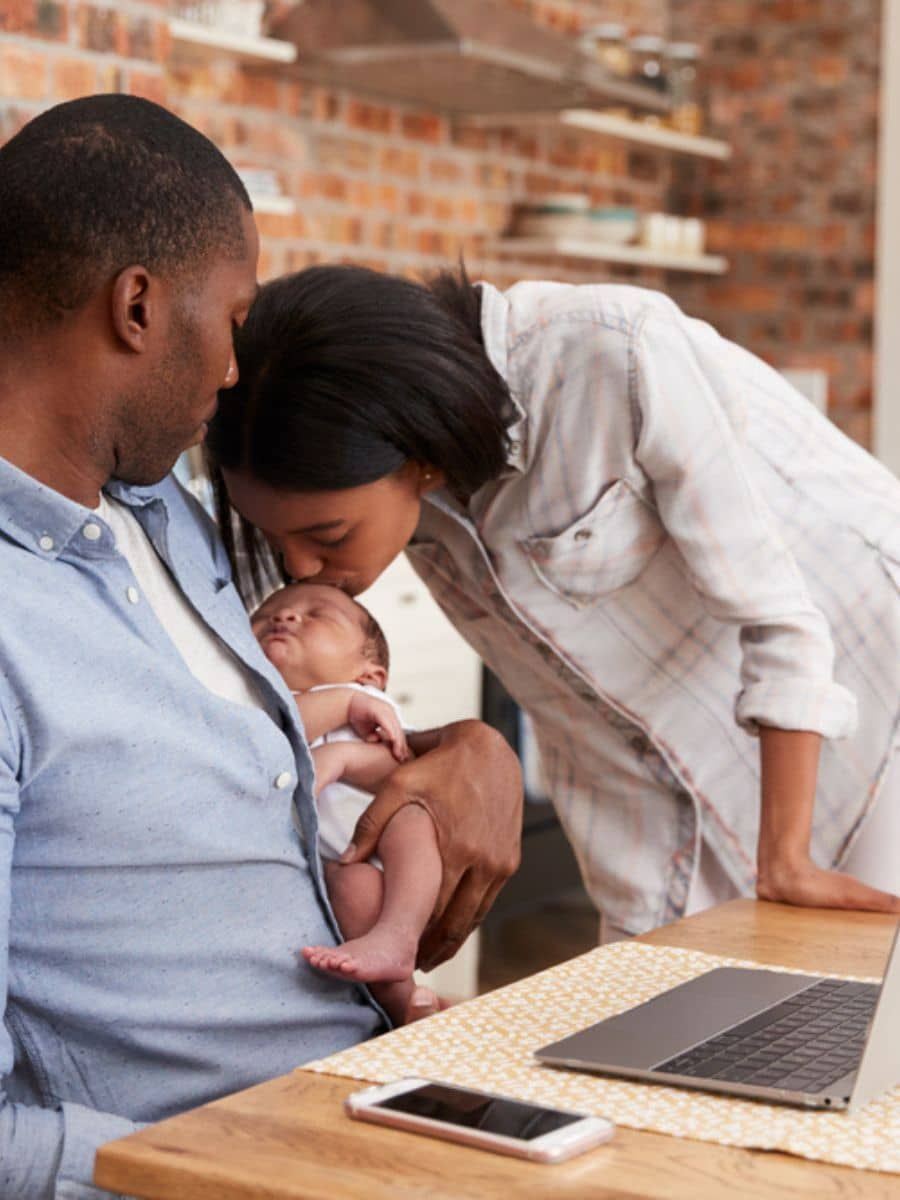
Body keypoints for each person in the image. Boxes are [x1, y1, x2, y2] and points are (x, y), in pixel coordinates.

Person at [0, 98, 521, 1200]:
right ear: (136, 307)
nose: (236, 371)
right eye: (233, 316)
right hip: (241, 1161)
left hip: (377, 1093)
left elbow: (263, 757)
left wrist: (467, 747)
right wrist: (227, 1176)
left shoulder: (160, 515)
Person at [208, 263, 900, 947]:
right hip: (647, 808)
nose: (298, 567)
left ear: (418, 454)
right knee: (659, 1039)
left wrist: (786, 856)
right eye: (274, 534)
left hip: (867, 726)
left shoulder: (613, 355)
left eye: (325, 536)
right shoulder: (361, 462)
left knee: (869, 1027)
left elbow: (780, 617)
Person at [251, 581, 441, 1024]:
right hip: (344, 863)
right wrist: (339, 703)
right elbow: (278, 731)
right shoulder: (257, 707)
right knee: (352, 891)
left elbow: (403, 769)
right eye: (266, 614)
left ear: (369, 673)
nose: (284, 617)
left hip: (397, 848)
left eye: (317, 614)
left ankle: (399, 934)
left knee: (414, 814)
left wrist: (344, 753)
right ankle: (403, 1005)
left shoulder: (369, 703)